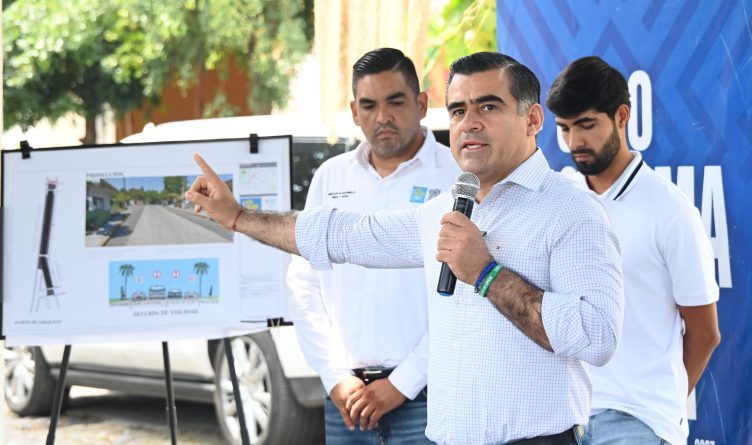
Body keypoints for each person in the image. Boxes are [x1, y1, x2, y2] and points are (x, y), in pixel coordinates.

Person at [185, 52, 625, 445]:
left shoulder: (572, 210)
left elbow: (597, 336)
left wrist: (486, 273)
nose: (469, 123)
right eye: (458, 110)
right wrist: (238, 217)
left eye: (488, 107)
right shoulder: (446, 209)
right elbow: (343, 235)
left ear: (532, 120)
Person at [286, 47, 460, 444]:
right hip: (347, 402)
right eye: (369, 105)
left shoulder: (457, 176)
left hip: (430, 397)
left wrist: (404, 382)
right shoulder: (330, 177)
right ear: (354, 111)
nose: (382, 117)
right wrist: (334, 376)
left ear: (421, 104)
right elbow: (303, 283)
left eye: (395, 102)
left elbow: (466, 294)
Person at [545, 56, 721, 445]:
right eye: (565, 128)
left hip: (638, 423)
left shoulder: (670, 210)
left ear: (622, 116)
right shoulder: (559, 198)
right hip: (563, 416)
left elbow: (705, 332)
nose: (574, 142)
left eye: (587, 125)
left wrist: (661, 412)